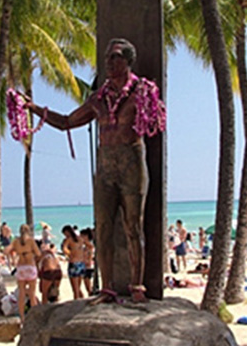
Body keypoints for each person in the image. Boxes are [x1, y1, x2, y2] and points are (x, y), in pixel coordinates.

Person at [27, 38, 165, 303]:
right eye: (107, 59)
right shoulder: (97, 100)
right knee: (102, 228)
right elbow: (67, 122)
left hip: (131, 162)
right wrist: (35, 109)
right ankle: (108, 288)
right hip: (105, 166)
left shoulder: (142, 91)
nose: (109, 63)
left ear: (127, 61)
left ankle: (137, 286)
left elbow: (157, 122)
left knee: (133, 227)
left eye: (115, 57)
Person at [4, 224, 41, 322]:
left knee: (22, 294)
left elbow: (6, 250)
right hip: (30, 266)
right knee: (32, 294)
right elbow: (38, 253)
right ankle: (34, 316)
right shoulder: (31, 241)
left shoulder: (16, 241)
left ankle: (22, 317)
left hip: (21, 268)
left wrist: (18, 252)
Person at [62, 225, 85, 299]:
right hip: (81, 263)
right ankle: (82, 299)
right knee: (78, 287)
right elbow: (90, 246)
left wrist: (70, 253)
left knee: (75, 289)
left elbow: (64, 249)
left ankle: (76, 304)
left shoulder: (69, 239)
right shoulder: (80, 238)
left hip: (74, 263)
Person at [80, 228, 96, 295]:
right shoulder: (84, 246)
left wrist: (88, 261)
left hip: (89, 266)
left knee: (88, 283)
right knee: (85, 283)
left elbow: (91, 255)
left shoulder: (90, 246)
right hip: (84, 265)